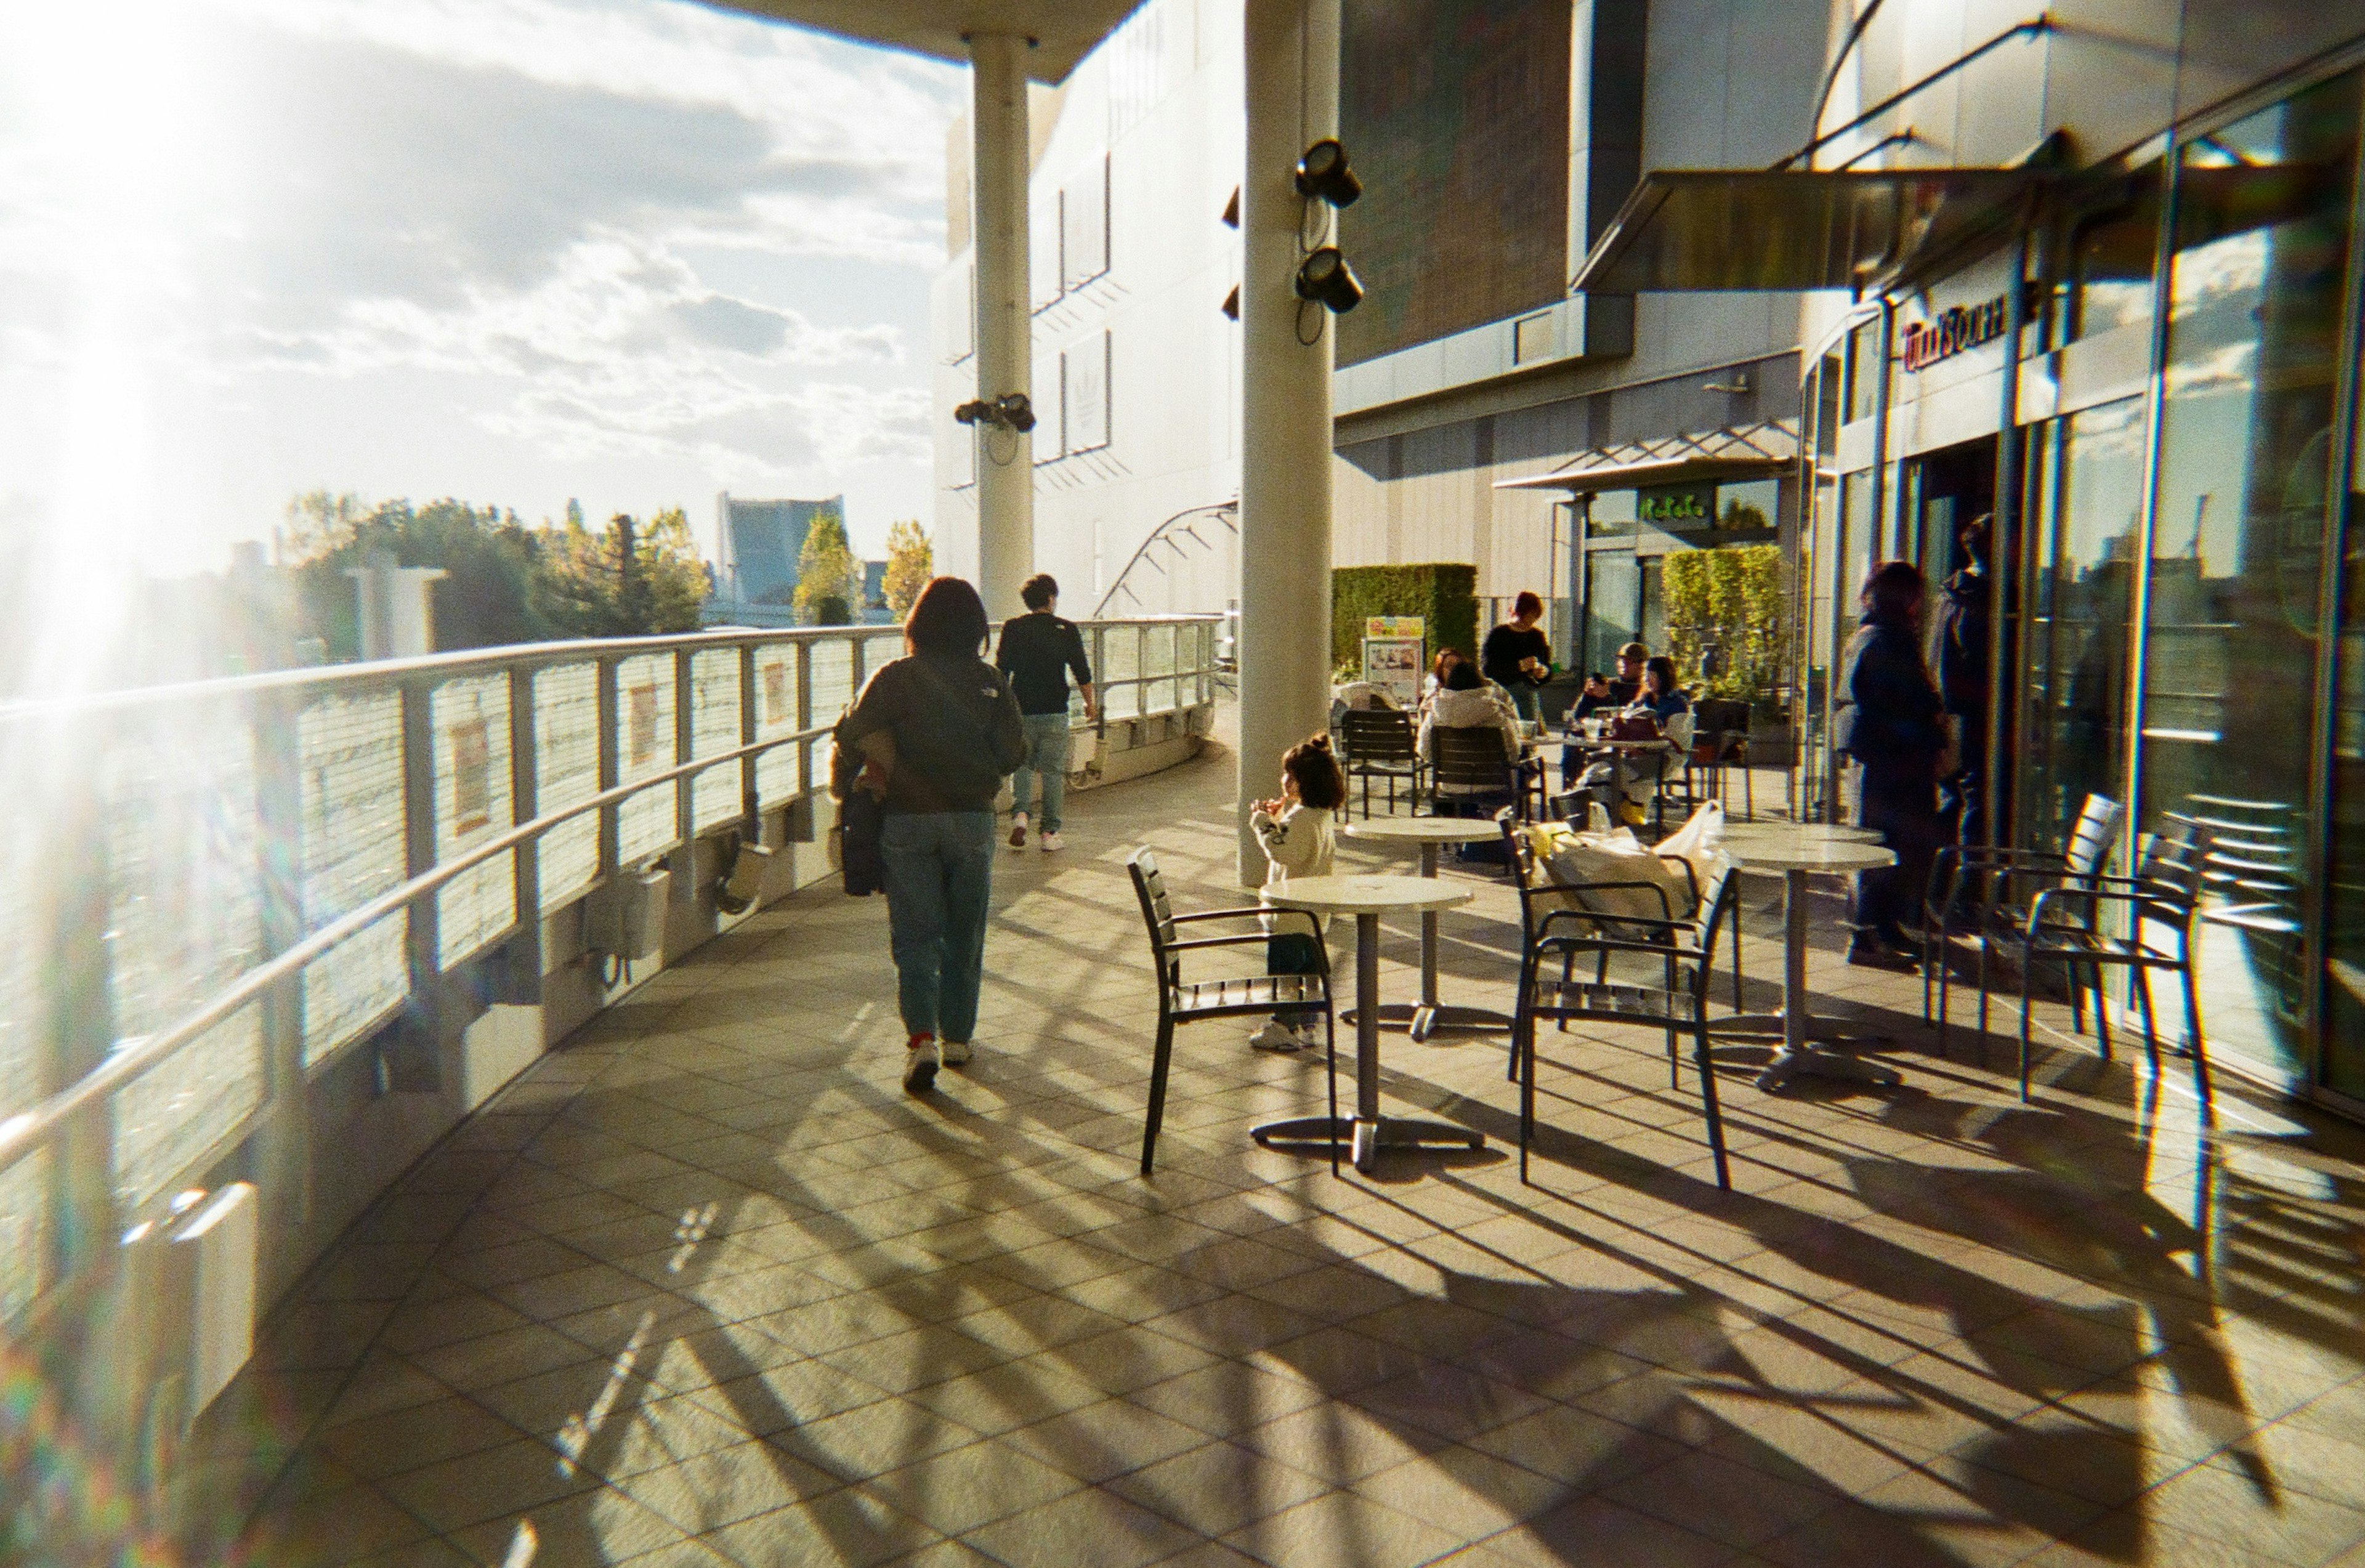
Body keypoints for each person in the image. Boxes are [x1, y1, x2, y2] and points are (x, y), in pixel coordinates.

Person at [837, 576, 1027, 1093]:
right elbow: (1014, 753)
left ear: (917, 624)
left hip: (906, 822)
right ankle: (959, 1038)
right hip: (971, 819)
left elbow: (851, 732)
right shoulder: (989, 681)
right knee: (965, 931)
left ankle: (920, 1039)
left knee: (916, 934)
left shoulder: (894, 677)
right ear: (974, 628)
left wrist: (875, 772)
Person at [1834, 559, 1947, 968]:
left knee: (1885, 845)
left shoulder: (1870, 635)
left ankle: (1884, 927)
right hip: (1893, 764)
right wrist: (1932, 737)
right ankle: (1866, 935)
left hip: (1880, 762)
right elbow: (1905, 703)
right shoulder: (1886, 641)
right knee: (1884, 846)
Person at [1247, 733, 1346, 1051]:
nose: (1284, 780)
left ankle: (1283, 1026)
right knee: (1309, 972)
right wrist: (1278, 820)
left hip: (1290, 914)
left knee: (1284, 974)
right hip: (1312, 914)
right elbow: (1297, 846)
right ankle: (1307, 1024)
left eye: (1290, 774)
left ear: (1302, 782)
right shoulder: (1319, 816)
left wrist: (1262, 821)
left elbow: (1284, 853)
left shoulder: (1302, 819)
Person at [995, 573, 1096, 853]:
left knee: (1023, 766)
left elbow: (1001, 672)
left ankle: (1021, 816)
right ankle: (1050, 834)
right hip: (1055, 711)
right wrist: (1090, 703)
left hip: (1021, 710)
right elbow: (1081, 671)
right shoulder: (1065, 629)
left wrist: (998, 710)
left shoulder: (1012, 628)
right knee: (1052, 772)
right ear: (1051, 599)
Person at [1577, 655, 1692, 826]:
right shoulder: (1641, 701)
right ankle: (1596, 818)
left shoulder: (1677, 704)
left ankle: (1618, 818)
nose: (1648, 679)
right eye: (1647, 675)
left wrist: (1646, 746)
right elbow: (1622, 720)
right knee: (1594, 771)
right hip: (1630, 754)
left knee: (1614, 774)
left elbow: (1676, 740)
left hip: (1661, 757)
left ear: (1665, 677)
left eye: (1653, 675)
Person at [1934, 515, 1992, 848]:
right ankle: (1966, 891)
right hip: (1974, 720)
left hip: (1953, 716)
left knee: (1958, 799)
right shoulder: (1976, 600)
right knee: (1977, 801)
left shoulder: (1951, 595)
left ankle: (1945, 888)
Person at [1481, 592, 1553, 722]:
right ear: (1516, 613)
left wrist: (1544, 672)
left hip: (1527, 694)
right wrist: (1519, 666)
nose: (1529, 623)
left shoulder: (1537, 636)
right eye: (1526, 618)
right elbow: (1487, 669)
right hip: (1503, 692)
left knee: (1528, 729)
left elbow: (1548, 665)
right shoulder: (1498, 635)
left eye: (1533, 618)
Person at [1557, 672, 1619, 791]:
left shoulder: (1611, 700)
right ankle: (1572, 784)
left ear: (1605, 686)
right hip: (1583, 737)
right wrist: (1586, 696)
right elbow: (1576, 718)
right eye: (1592, 685)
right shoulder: (1586, 699)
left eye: (1597, 685)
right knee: (1572, 752)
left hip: (1604, 738)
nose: (1594, 688)